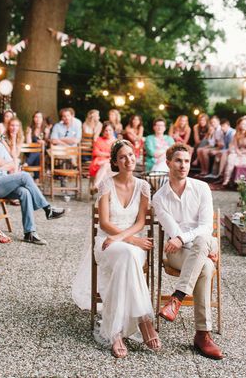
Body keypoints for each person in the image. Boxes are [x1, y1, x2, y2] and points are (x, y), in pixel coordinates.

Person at [73, 140, 160, 358]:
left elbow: (141, 222)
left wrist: (125, 239)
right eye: (122, 156)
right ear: (115, 161)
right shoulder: (106, 185)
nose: (128, 160)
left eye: (131, 155)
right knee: (127, 255)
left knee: (128, 256)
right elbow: (103, 223)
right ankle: (144, 321)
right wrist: (127, 240)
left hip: (128, 243)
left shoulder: (143, 186)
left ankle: (116, 331)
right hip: (106, 243)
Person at [153, 144, 223, 360]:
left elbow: (206, 227)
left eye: (186, 161)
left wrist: (184, 237)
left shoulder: (202, 188)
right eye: (178, 161)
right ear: (168, 163)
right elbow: (172, 232)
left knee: (203, 239)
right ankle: (203, 334)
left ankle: (177, 297)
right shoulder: (159, 197)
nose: (183, 165)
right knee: (206, 266)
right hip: (178, 253)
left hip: (197, 244)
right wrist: (184, 240)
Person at [0, 112, 65, 245]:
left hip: (4, 180)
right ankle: (47, 209)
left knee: (25, 192)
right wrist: (3, 164)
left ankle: (30, 232)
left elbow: (12, 163)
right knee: (24, 176)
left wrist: (3, 164)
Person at [221, 116, 246, 187]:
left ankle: (235, 181)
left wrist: (242, 153)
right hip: (239, 152)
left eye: (245, 124)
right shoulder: (237, 134)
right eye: (242, 124)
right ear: (239, 125)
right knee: (231, 158)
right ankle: (226, 179)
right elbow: (235, 146)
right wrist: (238, 152)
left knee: (237, 162)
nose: (244, 125)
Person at [89, 122, 116, 190]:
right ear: (103, 131)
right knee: (106, 166)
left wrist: (105, 157)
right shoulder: (99, 140)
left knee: (106, 165)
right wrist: (109, 154)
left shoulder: (116, 142)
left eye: (110, 130)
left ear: (113, 131)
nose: (108, 132)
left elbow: (116, 155)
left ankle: (96, 185)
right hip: (97, 163)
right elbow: (95, 152)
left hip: (110, 163)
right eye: (106, 130)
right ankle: (102, 191)